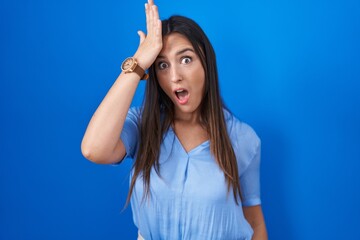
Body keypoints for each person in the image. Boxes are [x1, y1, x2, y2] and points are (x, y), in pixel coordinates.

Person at [81, 0, 267, 239]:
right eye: (162, 65)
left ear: (206, 64)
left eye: (186, 59)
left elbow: (255, 222)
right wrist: (138, 63)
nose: (175, 76)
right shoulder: (142, 125)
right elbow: (93, 149)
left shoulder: (243, 139)